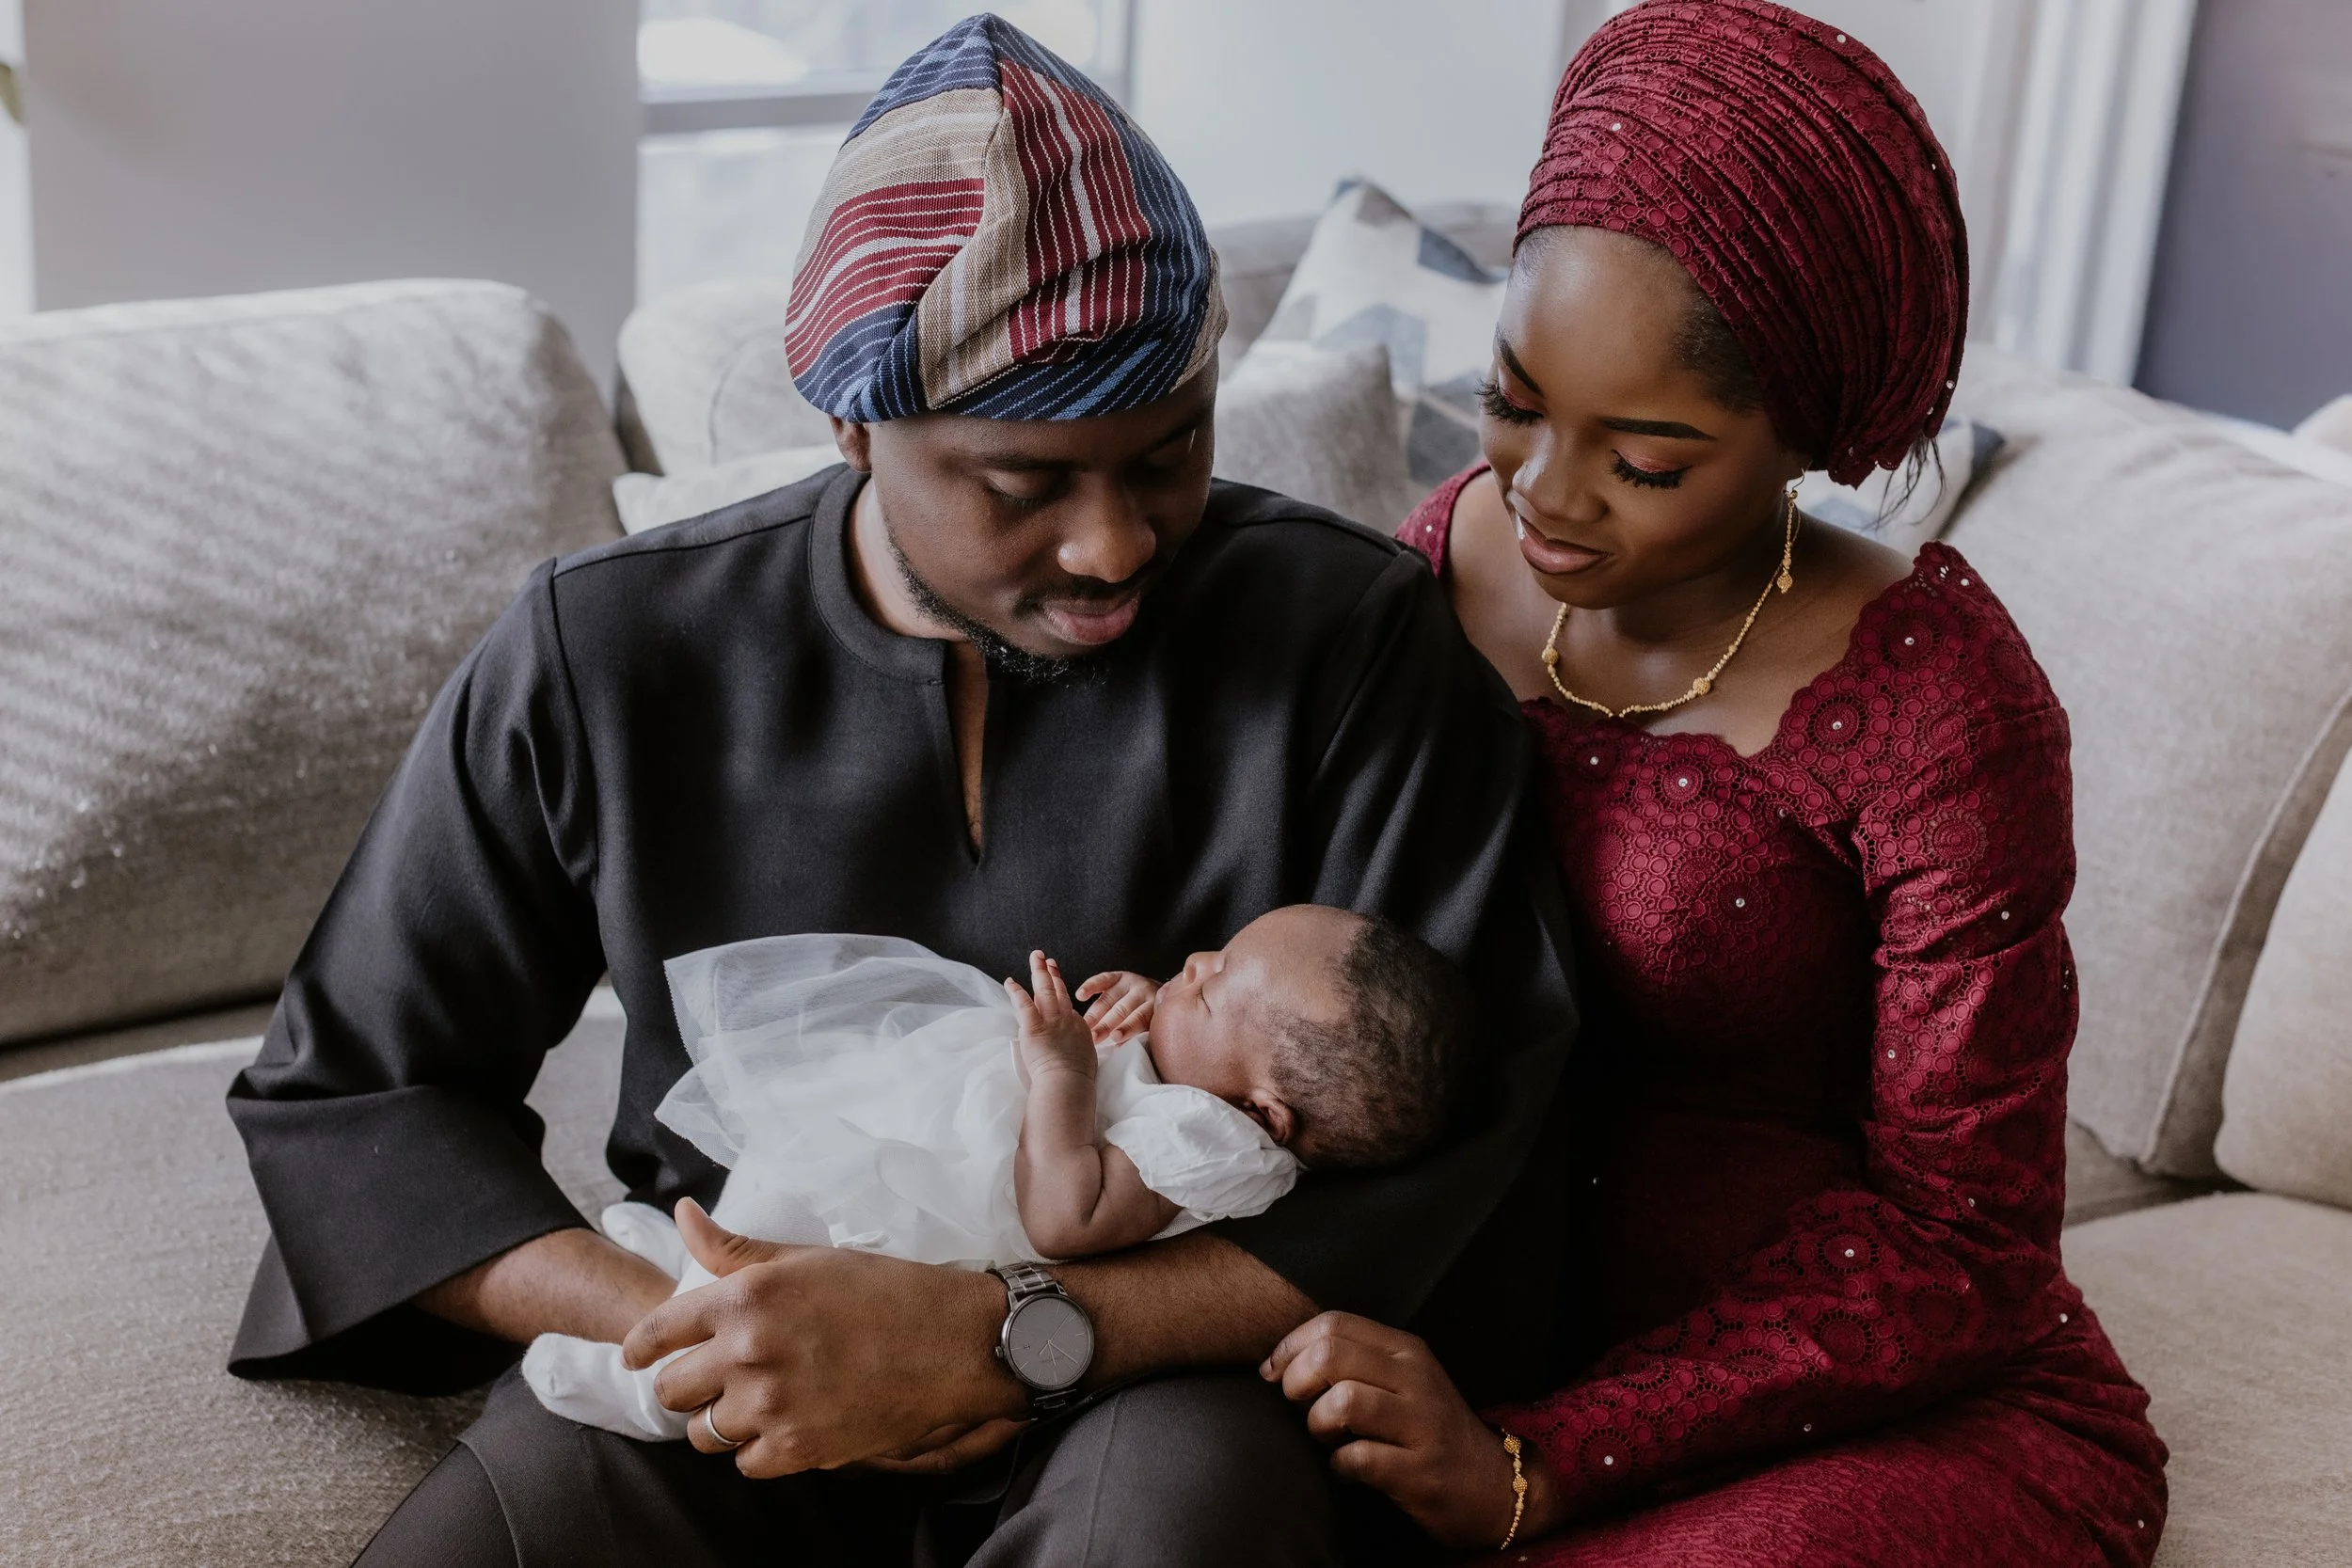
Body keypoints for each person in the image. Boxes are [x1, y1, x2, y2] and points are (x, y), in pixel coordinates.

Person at [223, 15, 1575, 1567]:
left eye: (1167, 452)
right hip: (728, 1354)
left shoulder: (1350, 644)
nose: (1118, 544)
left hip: (1161, 1377)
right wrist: (725, 1325)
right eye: (1026, 485)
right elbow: (357, 1100)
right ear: (853, 423)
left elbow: (1465, 1136)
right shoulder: (609, 650)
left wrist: (1011, 1334)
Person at [1261, 4, 2170, 1563]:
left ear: (1801, 437)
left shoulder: (1941, 698)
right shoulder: (1442, 555)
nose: (1542, 494)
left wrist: (1540, 1459)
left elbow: (1970, 1239)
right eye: (1516, 401)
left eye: (1648, 459)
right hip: (1493, 1321)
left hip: (1880, 1401)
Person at [525, 910, 1473, 1441]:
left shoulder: (1217, 1145)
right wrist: (1152, 1006)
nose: (1186, 962)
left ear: (1266, 1115)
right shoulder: (1211, 1089)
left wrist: (1061, 1070)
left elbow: (1068, 1211)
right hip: (948, 1137)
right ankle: (696, 1276)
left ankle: (653, 1384)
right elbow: (1163, 1066)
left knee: (810, 1205)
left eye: (1209, 982)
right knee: (784, 1179)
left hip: (941, 1218)